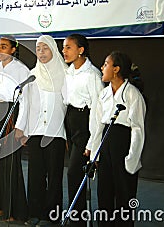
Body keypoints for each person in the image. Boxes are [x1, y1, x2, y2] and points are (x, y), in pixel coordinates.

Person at [90, 51, 146, 227]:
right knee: (104, 193)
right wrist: (95, 153)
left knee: (124, 194)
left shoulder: (132, 94)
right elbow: (99, 125)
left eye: (106, 64)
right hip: (106, 143)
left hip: (123, 144)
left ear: (116, 69)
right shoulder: (104, 94)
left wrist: (131, 158)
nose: (102, 67)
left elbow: (137, 129)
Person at [0, 35, 29, 222]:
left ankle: (13, 209)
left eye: (3, 46)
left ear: (12, 49)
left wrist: (20, 126)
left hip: (12, 114)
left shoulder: (21, 70)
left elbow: (25, 100)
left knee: (10, 162)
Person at [23, 35, 68, 226]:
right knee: (35, 174)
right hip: (36, 131)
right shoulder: (33, 75)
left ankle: (52, 215)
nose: (41, 52)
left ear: (53, 49)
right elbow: (27, 105)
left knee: (54, 175)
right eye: (38, 49)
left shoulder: (66, 74)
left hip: (56, 132)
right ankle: (35, 211)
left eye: (45, 48)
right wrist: (24, 130)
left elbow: (68, 105)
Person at [61, 33, 104, 226]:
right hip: (71, 119)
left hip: (85, 122)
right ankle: (75, 214)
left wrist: (92, 142)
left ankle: (76, 219)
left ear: (81, 50)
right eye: (63, 47)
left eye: (69, 47)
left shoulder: (92, 74)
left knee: (74, 173)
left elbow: (97, 109)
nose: (64, 51)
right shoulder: (69, 71)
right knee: (74, 172)